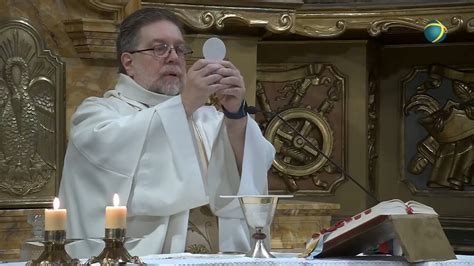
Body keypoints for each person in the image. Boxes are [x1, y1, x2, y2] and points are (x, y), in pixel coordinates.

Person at [58, 7, 275, 258]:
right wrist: (184, 104)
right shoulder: (97, 115)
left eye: (180, 49)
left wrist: (236, 115)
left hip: (225, 255)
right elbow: (112, 152)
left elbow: (252, 170)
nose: (173, 57)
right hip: (142, 256)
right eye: (160, 48)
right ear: (129, 62)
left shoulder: (207, 117)